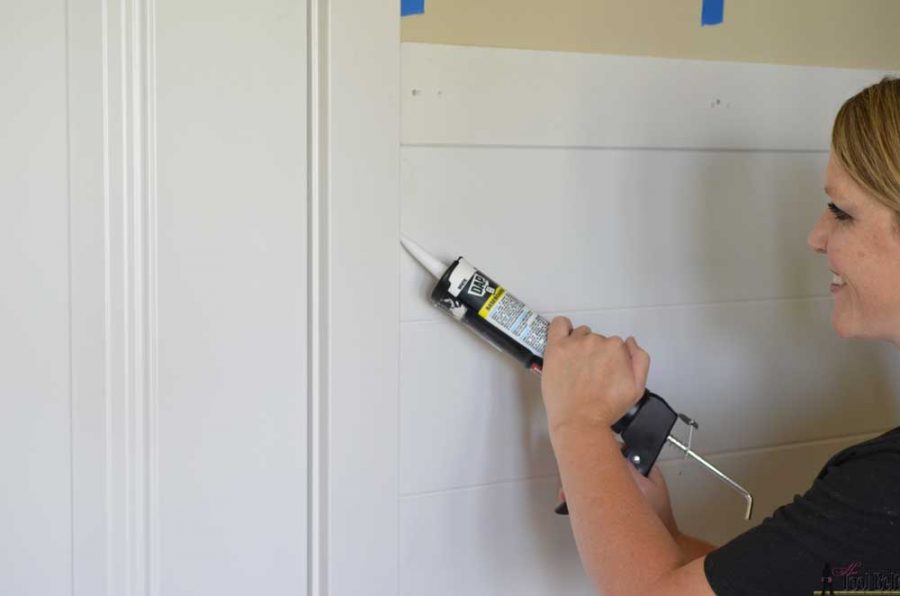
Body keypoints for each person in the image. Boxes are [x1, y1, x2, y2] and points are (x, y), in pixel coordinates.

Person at [540, 77, 900, 595]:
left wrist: (579, 424)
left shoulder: (887, 484)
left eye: (842, 213)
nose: (816, 237)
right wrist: (661, 535)